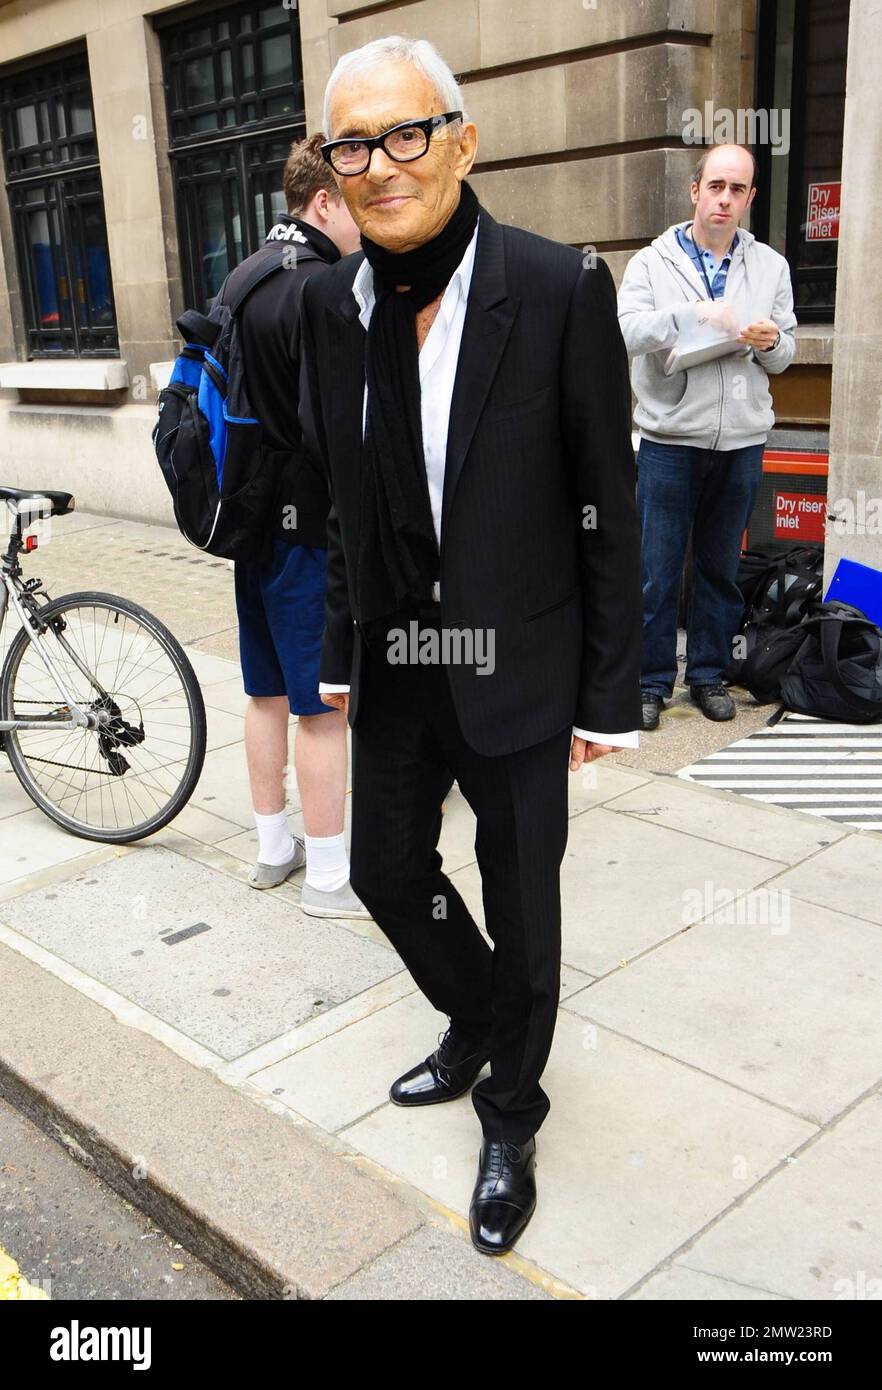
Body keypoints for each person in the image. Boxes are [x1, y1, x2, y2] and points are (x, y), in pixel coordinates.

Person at [298, 36, 642, 1255]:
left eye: (404, 135)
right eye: (353, 144)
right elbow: (342, 497)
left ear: (462, 139)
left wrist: (611, 689)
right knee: (386, 871)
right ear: (331, 165)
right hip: (398, 659)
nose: (380, 166)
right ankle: (486, 1011)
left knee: (520, 889)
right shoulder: (329, 310)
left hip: (521, 660)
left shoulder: (554, 289)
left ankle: (511, 1103)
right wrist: (340, 644)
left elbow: (609, 498)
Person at [229, 134, 369, 919]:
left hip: (249, 521)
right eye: (353, 206)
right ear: (323, 203)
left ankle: (271, 848)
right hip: (307, 525)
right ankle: (327, 879)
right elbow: (331, 429)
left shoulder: (244, 275)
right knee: (322, 705)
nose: (364, 224)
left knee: (265, 694)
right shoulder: (321, 286)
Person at [617, 143, 797, 731]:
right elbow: (625, 331)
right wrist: (695, 317)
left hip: (741, 439)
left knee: (720, 569)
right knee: (654, 571)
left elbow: (786, 352)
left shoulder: (771, 266)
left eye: (737, 189)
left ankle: (708, 676)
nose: (724, 199)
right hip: (670, 439)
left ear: (749, 197)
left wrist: (770, 341)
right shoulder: (651, 261)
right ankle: (648, 683)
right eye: (715, 186)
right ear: (695, 191)